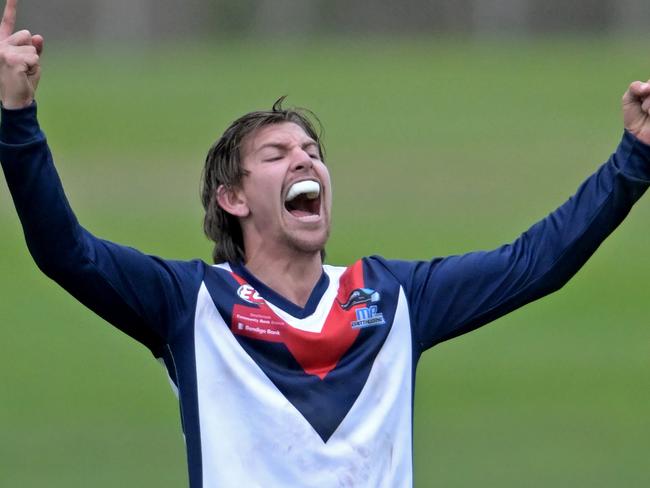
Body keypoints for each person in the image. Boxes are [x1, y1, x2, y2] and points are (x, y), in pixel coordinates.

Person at [2, 1, 650, 486]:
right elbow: (67, 253)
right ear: (233, 198)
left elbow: (536, 263)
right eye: (277, 154)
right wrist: (17, 117)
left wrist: (634, 159)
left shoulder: (394, 298)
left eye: (312, 152)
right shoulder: (190, 304)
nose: (305, 162)